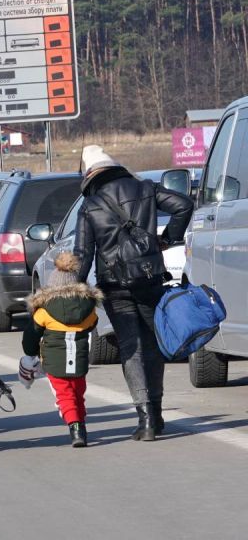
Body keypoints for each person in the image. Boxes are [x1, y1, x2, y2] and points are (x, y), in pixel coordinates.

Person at [73, 145, 193, 441]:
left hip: (114, 286)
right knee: (153, 344)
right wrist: (168, 239)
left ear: (89, 175)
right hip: (150, 279)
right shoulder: (145, 188)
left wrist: (76, 290)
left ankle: (146, 418)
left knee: (130, 347)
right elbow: (184, 205)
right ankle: (158, 412)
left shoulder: (90, 206)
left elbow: (82, 253)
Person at [20, 253, 103, 448]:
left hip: (54, 360)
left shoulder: (44, 310)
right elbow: (92, 324)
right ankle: (81, 424)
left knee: (64, 395)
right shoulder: (88, 309)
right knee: (78, 392)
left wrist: (30, 353)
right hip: (80, 359)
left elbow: (31, 336)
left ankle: (75, 428)